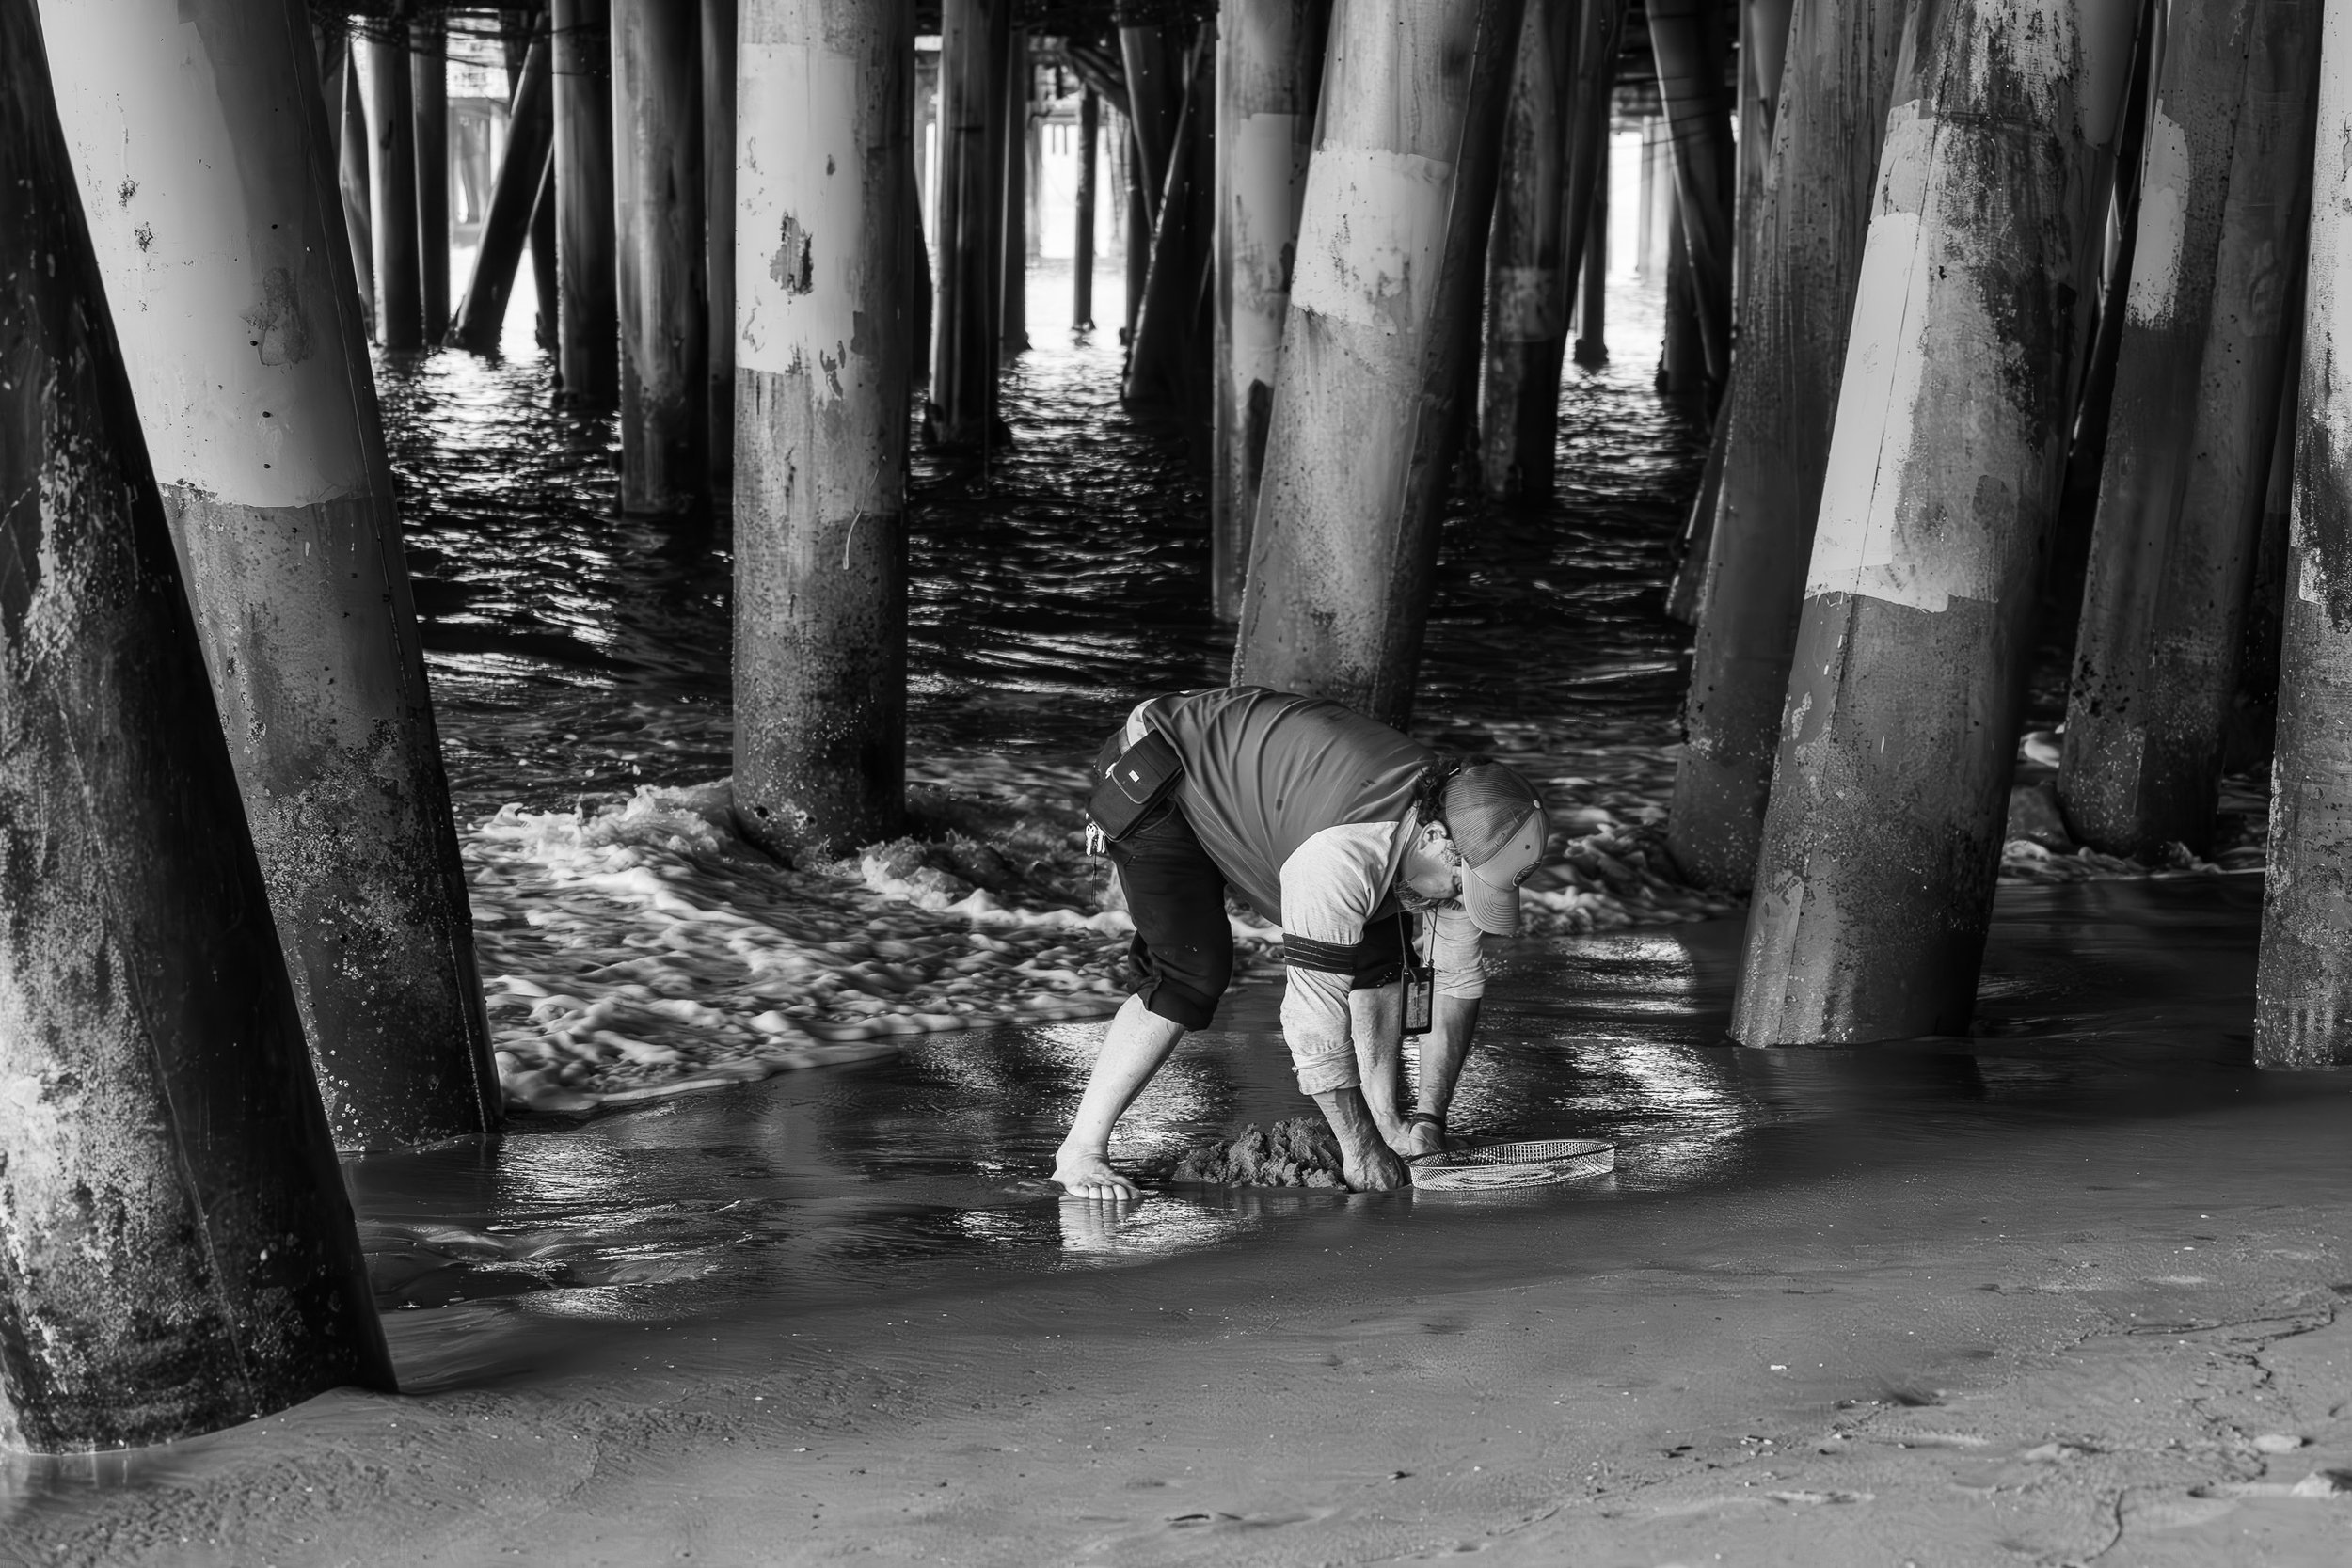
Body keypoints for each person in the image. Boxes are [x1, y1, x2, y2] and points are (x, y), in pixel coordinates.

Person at [1053, 687, 1549, 1198]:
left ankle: (1386, 1119)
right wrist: (1358, 1152)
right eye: (1464, 887)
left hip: (1270, 787)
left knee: (1381, 949)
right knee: (1190, 970)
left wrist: (1429, 1122)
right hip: (1163, 765)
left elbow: (1454, 979)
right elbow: (1311, 1021)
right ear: (1435, 838)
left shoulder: (1467, 823)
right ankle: (1080, 1150)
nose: (1463, 902)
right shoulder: (1341, 857)